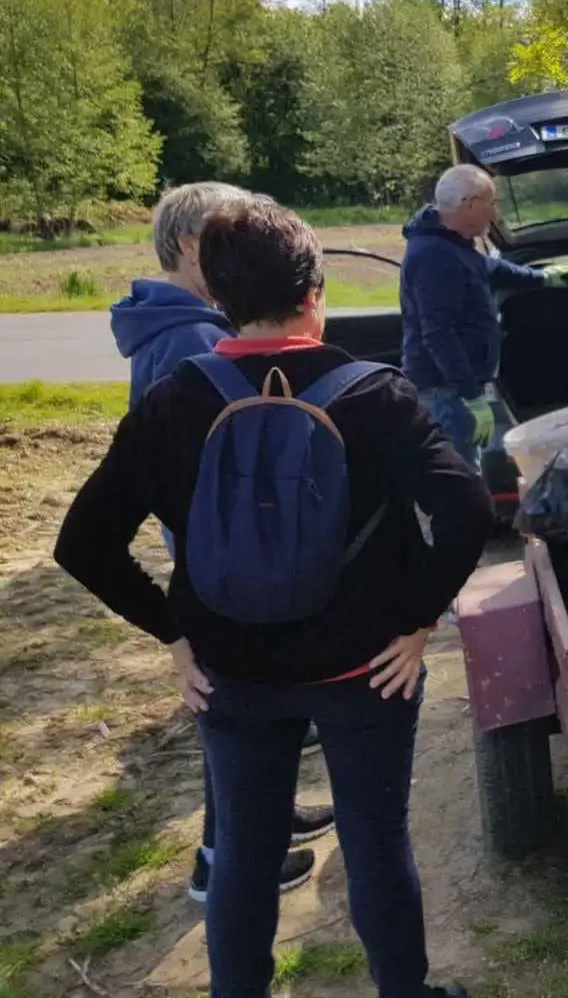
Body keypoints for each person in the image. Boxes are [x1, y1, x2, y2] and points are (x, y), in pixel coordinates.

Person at [57, 200, 492, 998]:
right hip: (366, 672)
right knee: (375, 845)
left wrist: (174, 635)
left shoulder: (173, 400)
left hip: (230, 674)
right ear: (314, 290)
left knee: (244, 857)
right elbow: (468, 508)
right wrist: (417, 621)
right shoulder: (377, 395)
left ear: (218, 295)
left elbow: (82, 544)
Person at [109, 181, 334, 904]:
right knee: (231, 709)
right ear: (187, 246)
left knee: (255, 701)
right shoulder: (192, 340)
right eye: (225, 237)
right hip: (227, 557)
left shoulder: (184, 324)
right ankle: (224, 859)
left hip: (224, 549)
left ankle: (271, 817)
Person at [400, 164, 564, 472]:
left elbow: (491, 267)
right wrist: (471, 396)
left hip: (456, 388)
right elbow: (438, 334)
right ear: (471, 204)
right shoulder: (434, 256)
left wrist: (541, 277)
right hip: (445, 391)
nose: (495, 210)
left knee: (467, 471)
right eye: (492, 202)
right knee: (460, 477)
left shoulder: (453, 244)